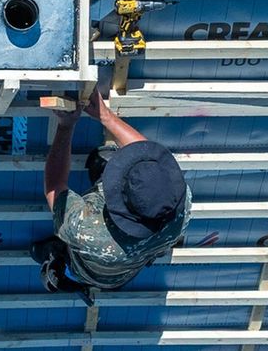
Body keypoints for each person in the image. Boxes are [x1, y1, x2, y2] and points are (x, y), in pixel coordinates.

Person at [34, 88, 191, 302]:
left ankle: (64, 270)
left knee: (48, 250)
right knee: (104, 159)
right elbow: (147, 155)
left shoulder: (88, 229)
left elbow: (54, 185)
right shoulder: (179, 205)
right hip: (128, 269)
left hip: (90, 270)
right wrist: (106, 116)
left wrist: (65, 127)